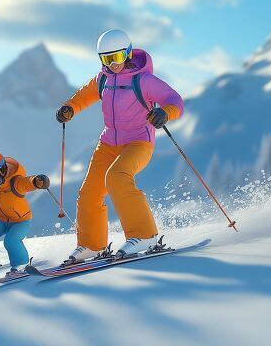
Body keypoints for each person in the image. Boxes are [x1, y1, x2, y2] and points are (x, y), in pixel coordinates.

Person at [55, 29, 184, 262]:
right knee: (89, 192)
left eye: (115, 57)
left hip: (138, 141)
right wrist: (70, 108)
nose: (111, 64)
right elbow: (84, 96)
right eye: (105, 59)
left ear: (126, 53)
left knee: (117, 176)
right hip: (109, 142)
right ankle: (91, 245)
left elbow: (174, 100)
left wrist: (165, 112)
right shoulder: (103, 78)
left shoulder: (142, 79)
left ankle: (145, 235)